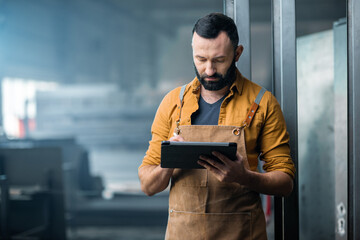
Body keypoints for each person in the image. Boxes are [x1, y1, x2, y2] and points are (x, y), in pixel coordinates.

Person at [138, 13, 295, 240]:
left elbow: (285, 183)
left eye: (219, 60)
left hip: (242, 234)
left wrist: (245, 177)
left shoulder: (263, 103)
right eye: (201, 59)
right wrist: (168, 162)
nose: (209, 70)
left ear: (237, 53)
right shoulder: (173, 103)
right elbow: (148, 185)